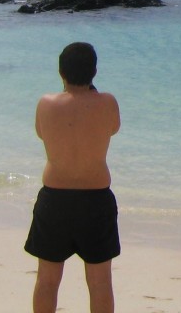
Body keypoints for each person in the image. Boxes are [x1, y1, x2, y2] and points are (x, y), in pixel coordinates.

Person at [25, 42, 121, 313]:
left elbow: (42, 133)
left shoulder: (46, 104)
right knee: (100, 281)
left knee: (47, 279)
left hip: (55, 200)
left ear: (61, 72)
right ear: (94, 72)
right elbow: (113, 128)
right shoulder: (107, 102)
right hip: (96, 200)